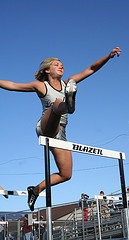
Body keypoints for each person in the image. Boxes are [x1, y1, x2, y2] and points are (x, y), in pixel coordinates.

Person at [0, 47, 121, 211]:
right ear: (47, 70)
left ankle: (36, 189)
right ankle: (67, 105)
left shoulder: (68, 83)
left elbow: (91, 69)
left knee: (66, 174)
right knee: (57, 105)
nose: (61, 67)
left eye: (62, 65)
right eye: (57, 65)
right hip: (46, 126)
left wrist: (109, 56)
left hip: (61, 133)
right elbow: (13, 85)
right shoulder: (41, 86)